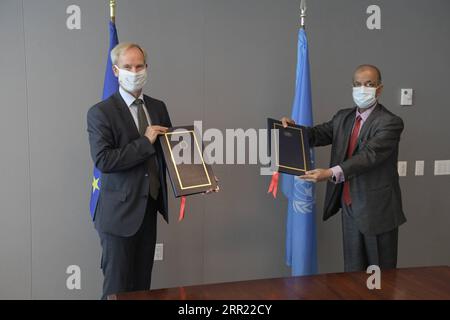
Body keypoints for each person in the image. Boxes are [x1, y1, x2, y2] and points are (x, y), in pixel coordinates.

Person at [281, 64, 406, 272]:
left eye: (369, 84)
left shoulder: (390, 122)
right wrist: (293, 129)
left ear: (380, 89)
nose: (362, 89)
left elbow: (368, 156)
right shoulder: (343, 117)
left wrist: (330, 173)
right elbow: (317, 134)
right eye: (358, 84)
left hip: (377, 210)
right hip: (349, 205)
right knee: (353, 273)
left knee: (379, 278)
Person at [87, 42, 172, 299]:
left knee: (141, 287)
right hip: (118, 215)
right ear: (115, 71)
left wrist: (197, 180)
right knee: (117, 288)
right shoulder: (100, 112)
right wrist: (145, 142)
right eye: (127, 66)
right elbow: (105, 160)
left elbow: (169, 153)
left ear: (147, 68)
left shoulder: (158, 107)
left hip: (149, 209)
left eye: (139, 66)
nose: (134, 71)